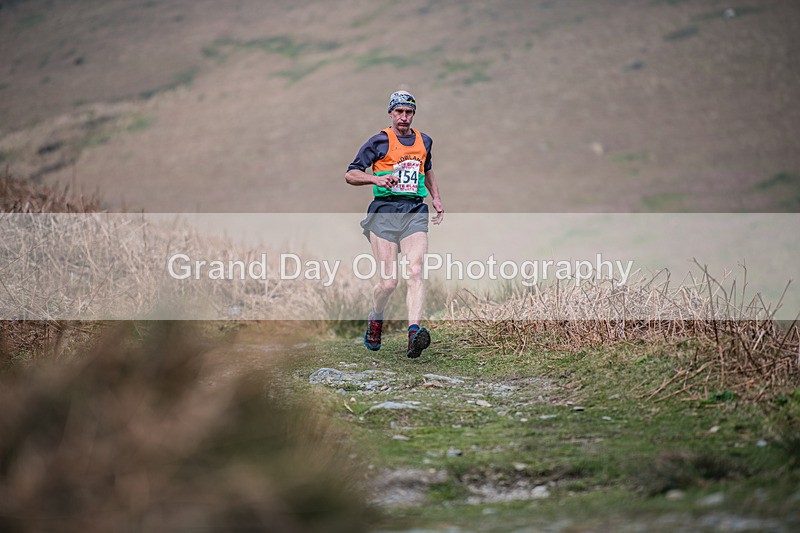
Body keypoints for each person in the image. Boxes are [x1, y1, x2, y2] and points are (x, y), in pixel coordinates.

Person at [344, 90, 445, 358]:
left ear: (413, 114)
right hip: (384, 213)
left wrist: (436, 197)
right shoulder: (378, 141)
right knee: (389, 283)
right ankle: (376, 319)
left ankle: (414, 334)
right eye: (399, 112)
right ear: (391, 113)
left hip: (414, 211)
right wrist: (375, 180)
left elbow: (427, 168)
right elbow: (351, 174)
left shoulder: (425, 141)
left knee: (415, 269)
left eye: (408, 112)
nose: (403, 117)